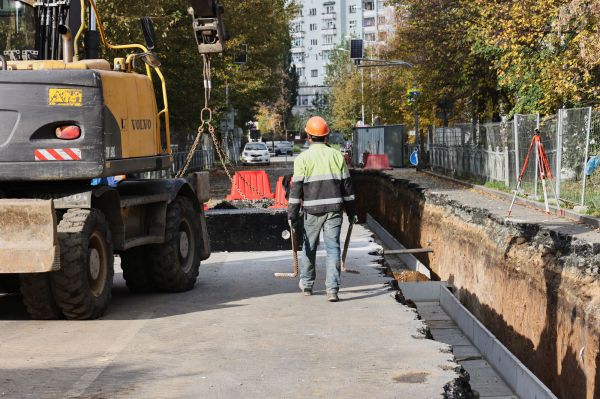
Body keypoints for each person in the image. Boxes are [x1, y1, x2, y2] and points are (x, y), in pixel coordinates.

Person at [287, 116, 358, 302]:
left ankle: (307, 285)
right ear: (327, 137)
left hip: (312, 211)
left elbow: (296, 190)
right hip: (334, 210)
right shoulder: (337, 156)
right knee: (333, 248)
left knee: (309, 247)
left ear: (308, 136)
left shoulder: (302, 159)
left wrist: (292, 214)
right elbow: (347, 189)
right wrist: (352, 213)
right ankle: (332, 290)